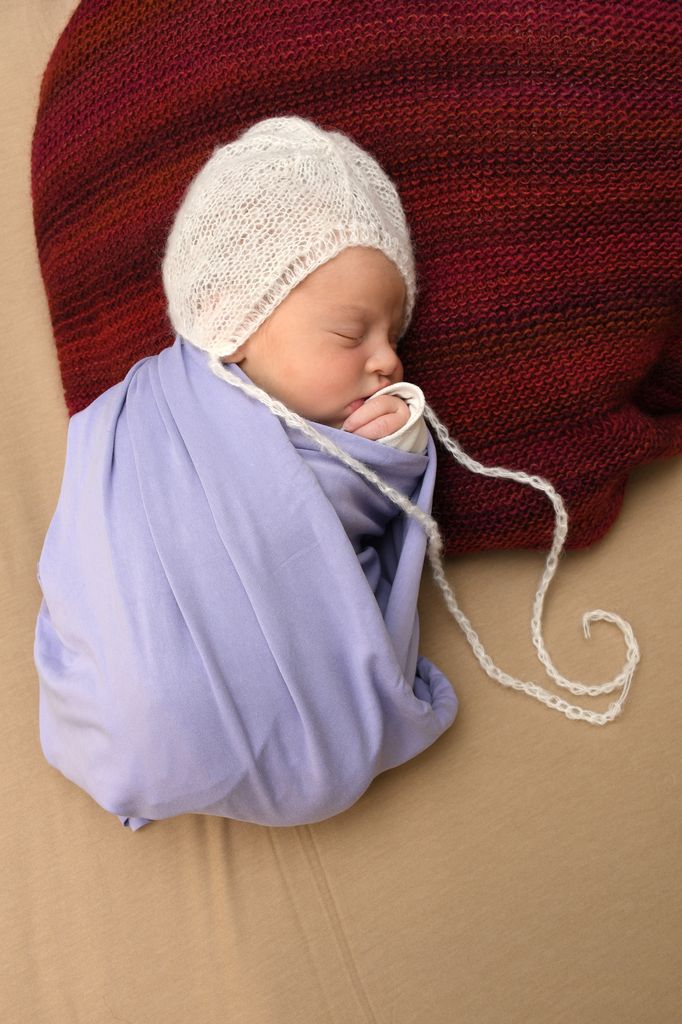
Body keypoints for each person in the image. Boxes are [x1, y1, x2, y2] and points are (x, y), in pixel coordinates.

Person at [34, 116, 639, 833]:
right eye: (353, 334)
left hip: (264, 727)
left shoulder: (346, 430)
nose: (388, 360)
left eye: (394, 335)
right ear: (235, 322)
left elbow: (337, 541)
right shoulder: (138, 421)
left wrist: (386, 459)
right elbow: (94, 551)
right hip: (127, 692)